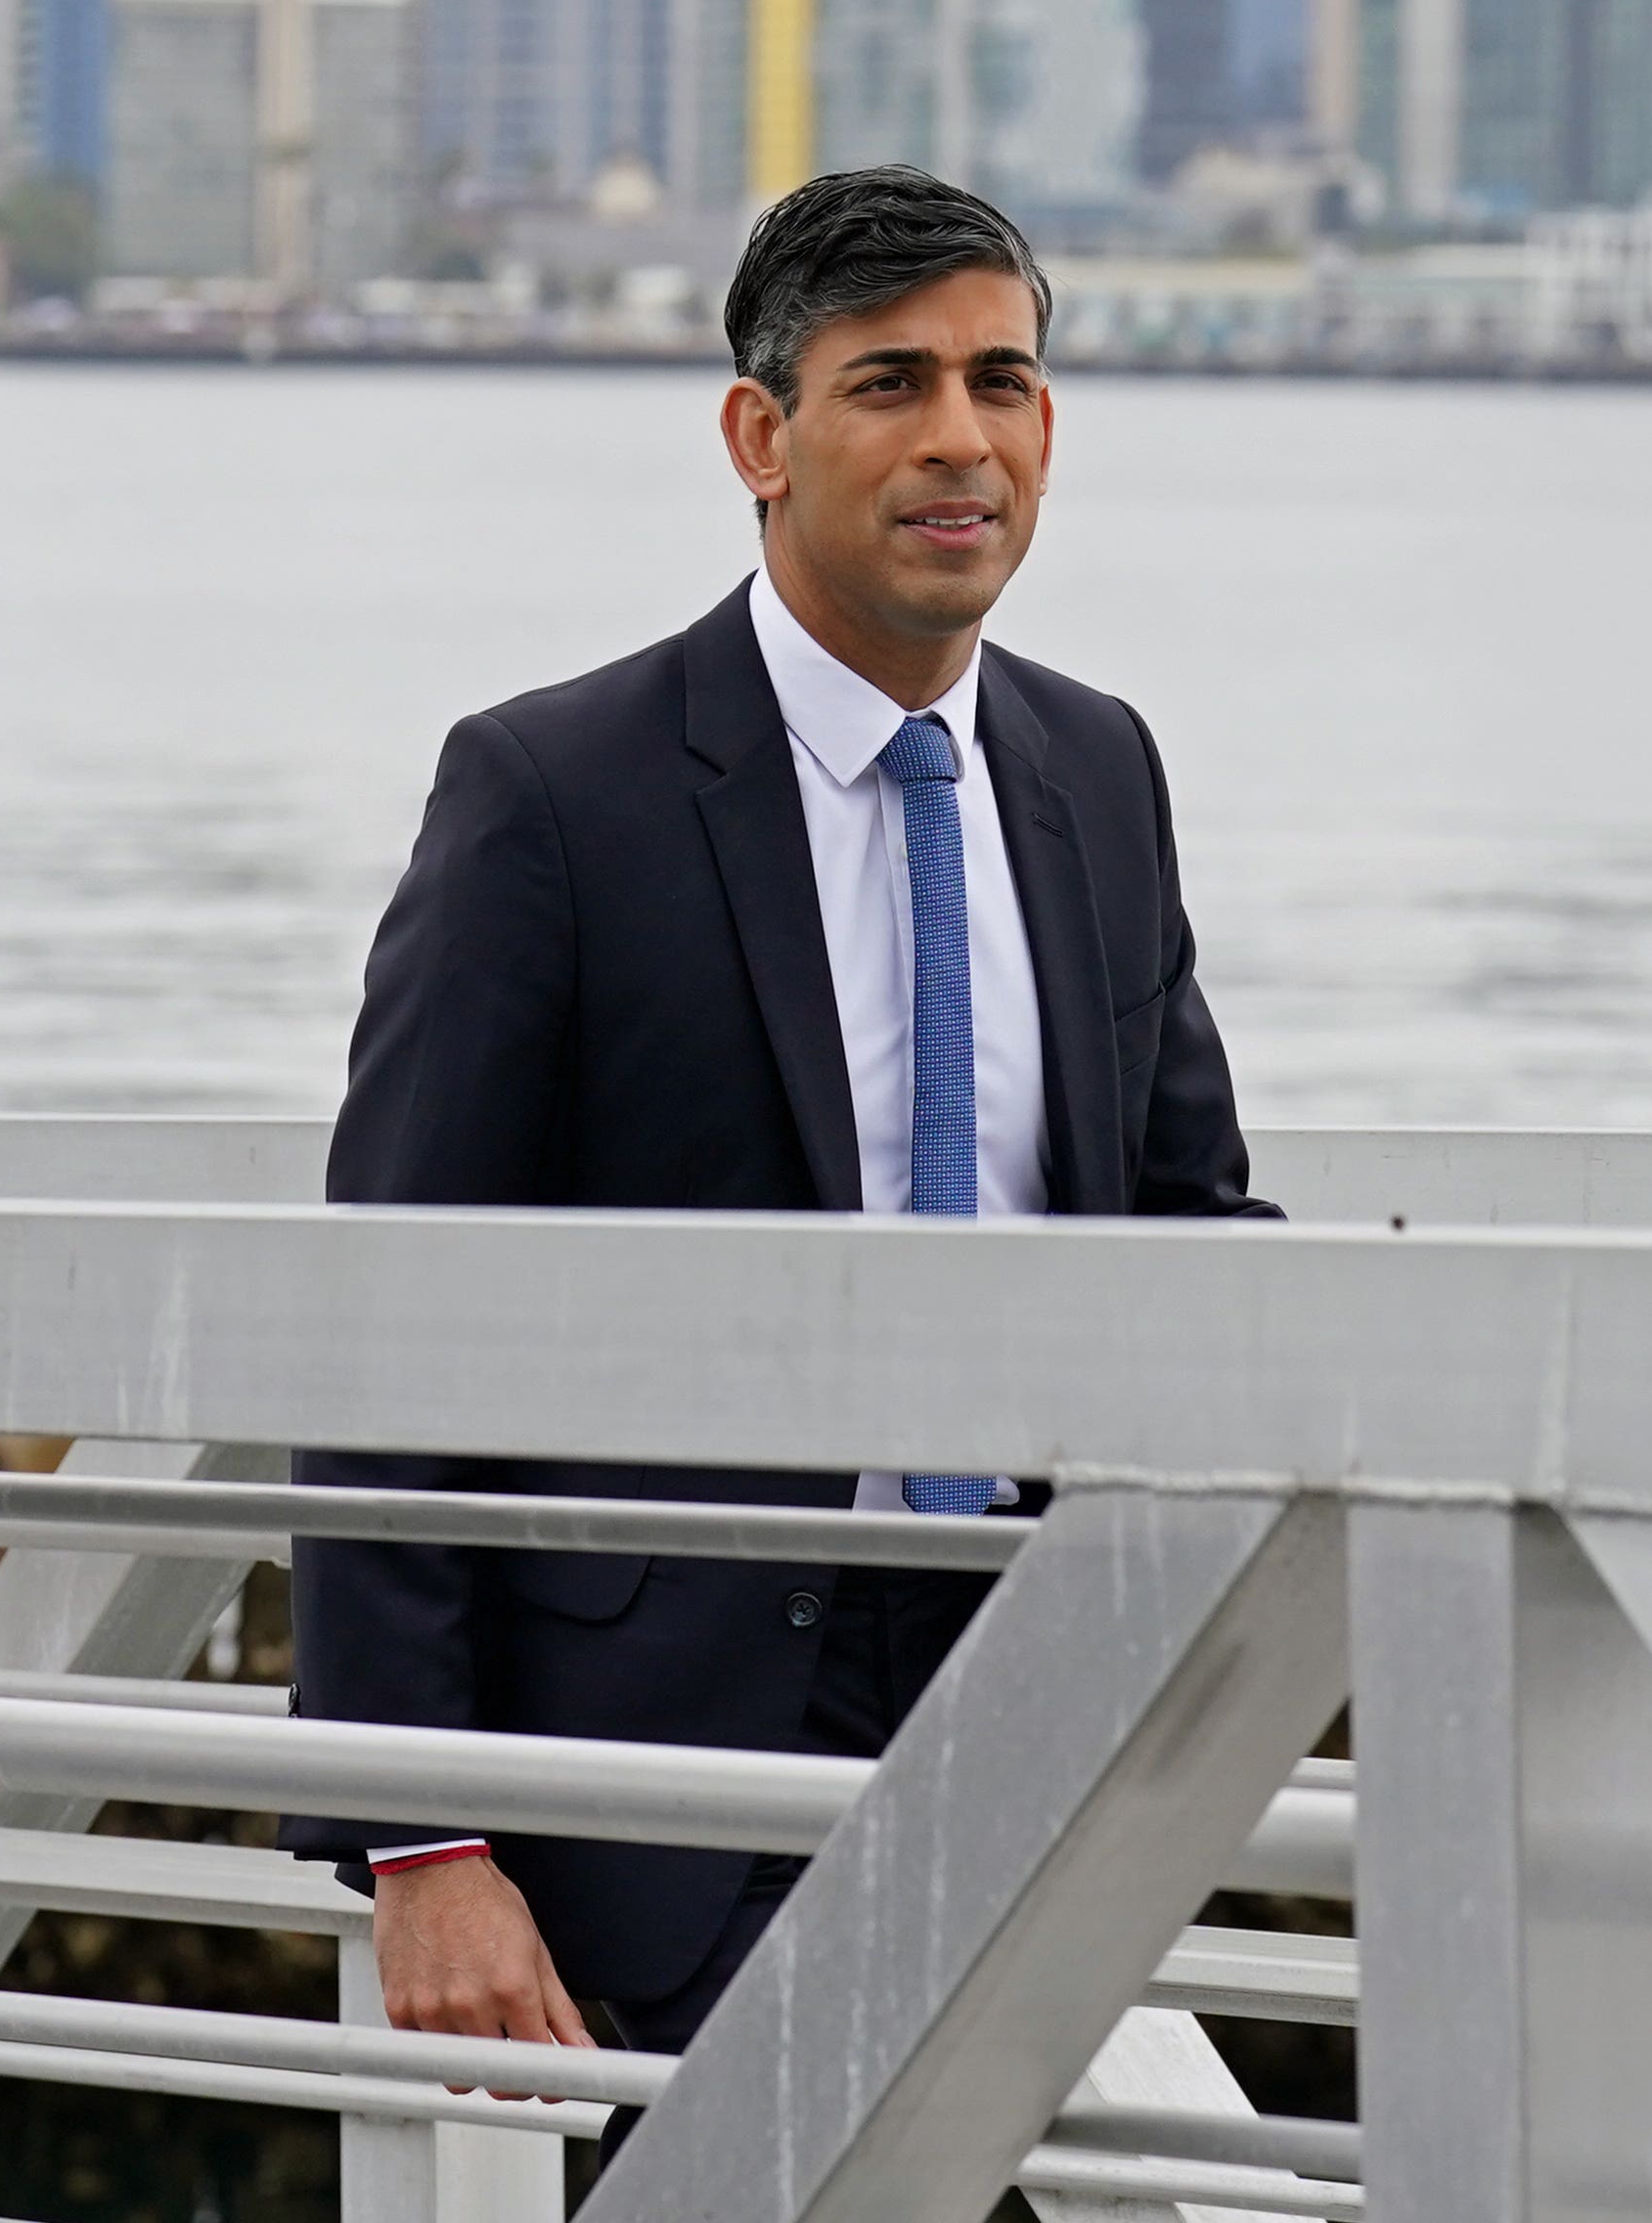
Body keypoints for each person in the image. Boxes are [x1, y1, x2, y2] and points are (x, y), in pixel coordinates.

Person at [287, 163, 1269, 2066]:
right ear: (761, 431)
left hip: (1022, 1686)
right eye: (890, 383)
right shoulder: (554, 794)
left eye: (1005, 379)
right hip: (679, 1727)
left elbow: (1182, 1219)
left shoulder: (1097, 768)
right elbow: (385, 1309)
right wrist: (422, 1832)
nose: (960, 439)